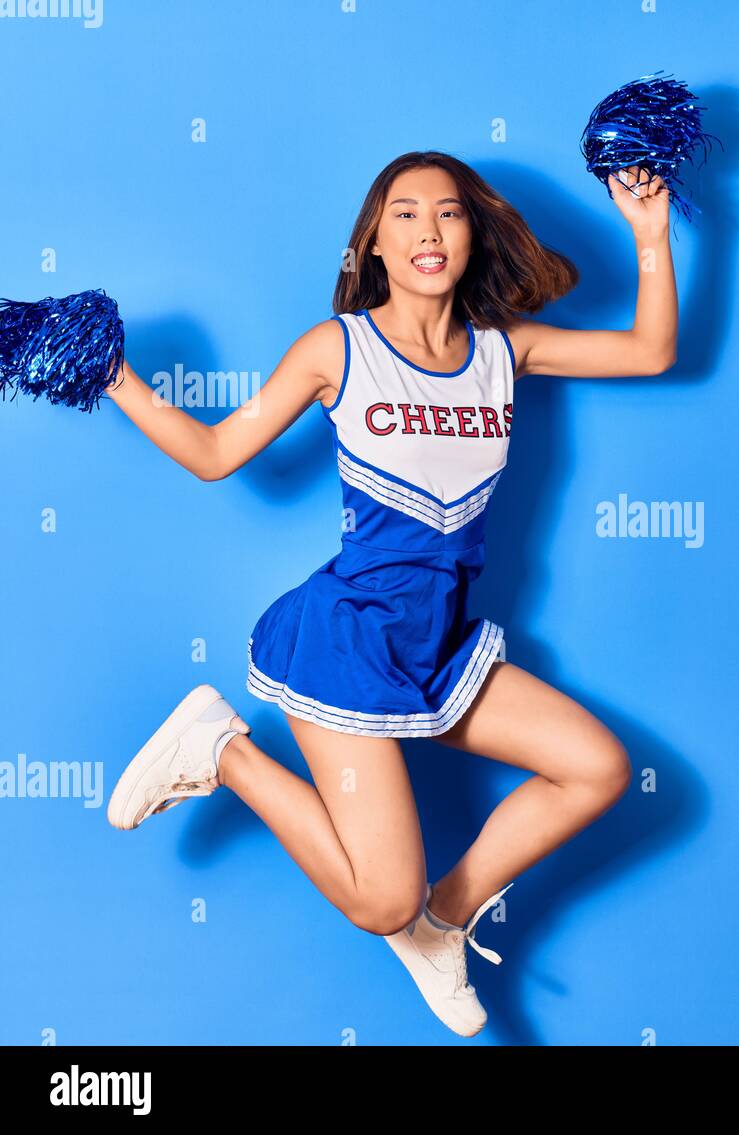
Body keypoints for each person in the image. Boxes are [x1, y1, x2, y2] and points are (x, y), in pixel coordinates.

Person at [102, 150, 678, 1037]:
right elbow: (217, 456)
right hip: (347, 643)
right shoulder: (339, 348)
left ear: (472, 232)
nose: (428, 232)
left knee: (597, 767)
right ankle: (222, 749)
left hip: (438, 645)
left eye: (447, 213)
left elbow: (650, 349)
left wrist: (647, 232)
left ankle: (443, 925)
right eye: (404, 214)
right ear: (372, 243)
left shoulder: (503, 351)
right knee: (380, 900)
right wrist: (117, 379)